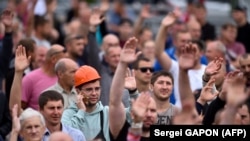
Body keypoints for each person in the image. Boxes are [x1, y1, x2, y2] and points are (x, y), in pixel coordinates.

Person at [109, 37, 158, 141]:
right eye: (144, 111)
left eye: (153, 111)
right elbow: (114, 102)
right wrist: (122, 63)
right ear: (132, 113)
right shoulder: (124, 133)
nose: (149, 115)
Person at [21, 44, 65, 110]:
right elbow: (20, 107)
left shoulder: (64, 78)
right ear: (53, 59)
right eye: (63, 60)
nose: (66, 63)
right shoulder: (30, 78)